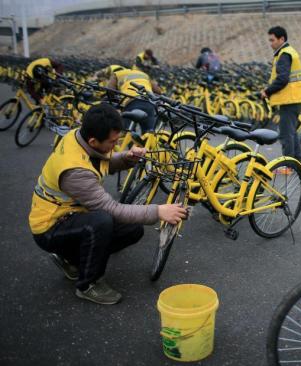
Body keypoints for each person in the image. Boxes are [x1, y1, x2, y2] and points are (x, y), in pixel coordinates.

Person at [28, 103, 188, 305]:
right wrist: (159, 210)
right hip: (49, 227)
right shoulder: (74, 171)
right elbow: (112, 209)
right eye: (113, 142)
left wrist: (127, 158)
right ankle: (88, 284)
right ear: (94, 141)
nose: (116, 145)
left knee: (133, 230)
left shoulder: (80, 137)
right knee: (101, 221)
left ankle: (72, 259)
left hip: (72, 214)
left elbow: (103, 160)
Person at [261, 26, 301, 163]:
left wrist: (267, 91)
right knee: (291, 133)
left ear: (282, 39)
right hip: (293, 99)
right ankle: (297, 162)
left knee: (286, 134)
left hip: (289, 100)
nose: (271, 43)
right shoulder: (289, 52)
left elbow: (282, 79)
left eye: (273, 40)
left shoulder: (284, 54)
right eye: (269, 40)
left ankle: (288, 165)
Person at [107, 67, 163, 132]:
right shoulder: (144, 74)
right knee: (149, 134)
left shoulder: (116, 74)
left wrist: (115, 103)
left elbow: (110, 89)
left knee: (126, 132)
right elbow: (158, 91)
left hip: (131, 101)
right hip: (149, 102)